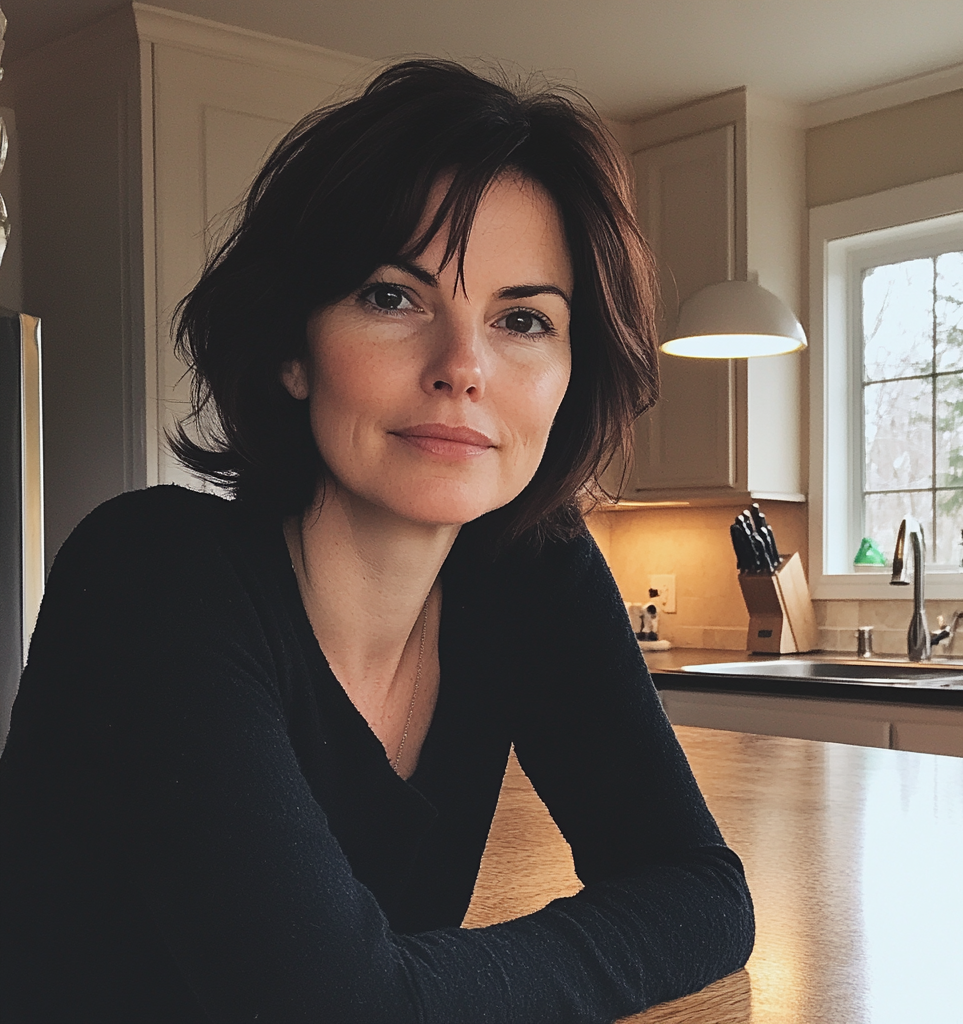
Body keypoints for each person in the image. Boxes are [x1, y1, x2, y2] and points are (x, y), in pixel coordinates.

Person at [0, 60, 754, 1023]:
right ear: (293, 348)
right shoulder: (153, 576)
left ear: (572, 377)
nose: (463, 368)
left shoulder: (531, 574)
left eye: (523, 320)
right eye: (394, 298)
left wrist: (407, 986)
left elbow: (704, 894)